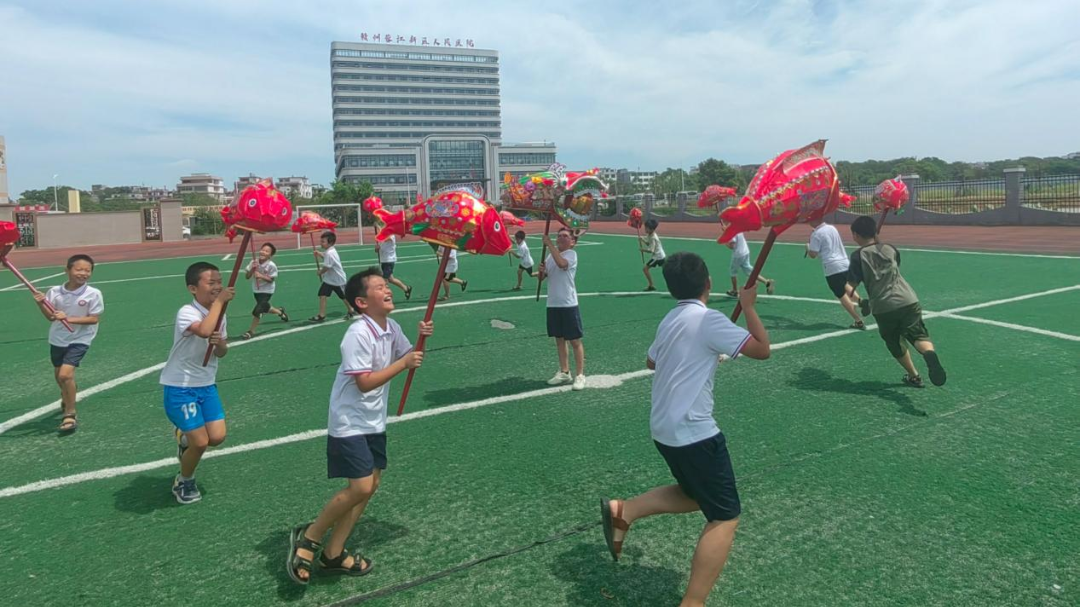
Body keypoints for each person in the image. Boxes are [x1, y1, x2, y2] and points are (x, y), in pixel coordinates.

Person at [600, 251, 770, 607]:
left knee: (695, 494)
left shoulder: (672, 318)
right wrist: (749, 307)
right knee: (724, 516)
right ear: (708, 283)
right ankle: (692, 603)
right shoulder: (709, 320)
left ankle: (624, 510)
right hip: (695, 432)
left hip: (664, 429)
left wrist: (702, 354)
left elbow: (652, 361)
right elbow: (761, 350)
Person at [287, 268, 433, 585]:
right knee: (361, 487)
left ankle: (333, 553)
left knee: (371, 485)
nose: (388, 290)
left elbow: (410, 357)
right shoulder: (358, 333)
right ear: (361, 302)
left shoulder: (391, 327)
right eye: (380, 287)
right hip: (349, 419)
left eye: (386, 285)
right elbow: (365, 383)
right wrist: (403, 363)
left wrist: (421, 339)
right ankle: (309, 539)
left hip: (373, 420)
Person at [160, 262, 234, 504]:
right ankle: (184, 480)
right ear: (193, 288)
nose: (217, 287)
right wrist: (221, 302)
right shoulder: (187, 312)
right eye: (211, 283)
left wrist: (221, 344)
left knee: (217, 437)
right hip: (180, 386)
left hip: (206, 384)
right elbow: (203, 330)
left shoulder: (220, 314)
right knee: (201, 443)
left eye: (219, 282)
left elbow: (220, 351)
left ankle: (184, 437)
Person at [847, 215, 947, 388]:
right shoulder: (890, 249)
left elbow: (850, 286)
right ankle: (929, 353)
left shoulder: (857, 256)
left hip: (883, 307)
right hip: (908, 299)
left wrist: (859, 299)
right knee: (918, 334)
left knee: (894, 342)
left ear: (856, 235)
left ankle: (914, 375)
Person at [32, 254, 104, 433]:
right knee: (60, 377)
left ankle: (70, 414)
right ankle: (67, 394)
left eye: (87, 270)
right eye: (79, 269)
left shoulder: (93, 294)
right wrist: (41, 303)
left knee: (65, 375)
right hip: (57, 338)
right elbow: (51, 317)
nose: (83, 273)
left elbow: (93, 319)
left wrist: (69, 318)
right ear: (67, 270)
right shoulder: (55, 291)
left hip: (80, 338)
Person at [538, 228, 586, 390]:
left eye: (565, 236)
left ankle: (580, 375)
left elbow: (562, 264)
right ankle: (565, 371)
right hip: (553, 303)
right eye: (558, 236)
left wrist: (550, 244)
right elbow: (545, 276)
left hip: (568, 303)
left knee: (574, 340)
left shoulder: (571, 255)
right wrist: (541, 273)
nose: (560, 238)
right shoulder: (551, 256)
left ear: (572, 241)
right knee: (559, 338)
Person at [806, 219, 864, 329]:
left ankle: (858, 320)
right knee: (845, 285)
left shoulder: (816, 234)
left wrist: (808, 247)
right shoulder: (831, 228)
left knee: (841, 294)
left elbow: (813, 254)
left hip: (832, 266)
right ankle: (860, 301)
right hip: (844, 262)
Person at [241, 243, 288, 339]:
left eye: (266, 251)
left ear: (270, 255)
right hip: (256, 290)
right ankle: (280, 312)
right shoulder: (253, 262)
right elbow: (247, 277)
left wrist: (261, 276)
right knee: (265, 307)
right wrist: (252, 269)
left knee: (258, 310)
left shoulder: (271, 265)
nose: (263, 252)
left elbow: (271, 280)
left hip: (267, 291)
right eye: (262, 249)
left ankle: (251, 331)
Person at [311, 231, 351, 322]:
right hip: (329, 280)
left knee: (343, 296)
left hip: (337, 279)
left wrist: (320, 272)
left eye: (323, 242)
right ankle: (322, 315)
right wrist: (319, 254)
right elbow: (325, 257)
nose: (321, 243)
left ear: (331, 242)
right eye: (321, 241)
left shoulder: (330, 253)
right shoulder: (329, 251)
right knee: (322, 294)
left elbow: (327, 267)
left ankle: (351, 309)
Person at [725, 232, 774, 297]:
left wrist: (725, 242)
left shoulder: (732, 232)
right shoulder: (737, 228)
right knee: (748, 269)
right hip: (745, 251)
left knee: (733, 272)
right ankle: (766, 282)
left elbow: (732, 245)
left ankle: (734, 290)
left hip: (738, 255)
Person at [375, 234, 413, 300]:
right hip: (384, 260)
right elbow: (378, 249)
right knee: (391, 279)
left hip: (389, 260)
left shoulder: (390, 235)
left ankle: (385, 296)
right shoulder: (381, 236)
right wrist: (377, 248)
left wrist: (378, 238)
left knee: (384, 280)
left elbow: (387, 238)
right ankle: (406, 288)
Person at [639, 218, 666, 292]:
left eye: (646, 228)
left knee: (645, 269)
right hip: (661, 255)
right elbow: (649, 244)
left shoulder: (653, 237)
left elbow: (651, 250)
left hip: (657, 257)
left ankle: (651, 285)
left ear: (652, 229)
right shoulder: (650, 234)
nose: (645, 229)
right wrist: (643, 240)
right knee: (666, 271)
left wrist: (642, 250)